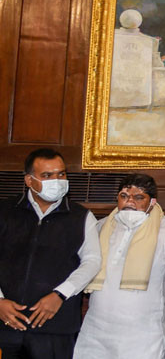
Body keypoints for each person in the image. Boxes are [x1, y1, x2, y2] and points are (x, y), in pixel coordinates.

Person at [74, 174, 165, 358]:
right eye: (124, 196)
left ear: (152, 202)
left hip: (142, 334)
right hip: (97, 330)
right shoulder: (101, 227)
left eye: (139, 197)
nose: (130, 202)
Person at [0, 148, 101, 359]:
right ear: (29, 180)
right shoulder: (6, 210)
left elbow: (92, 262)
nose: (57, 180)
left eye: (61, 174)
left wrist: (60, 295)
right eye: (47, 175)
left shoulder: (81, 216)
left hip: (55, 327)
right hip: (5, 322)